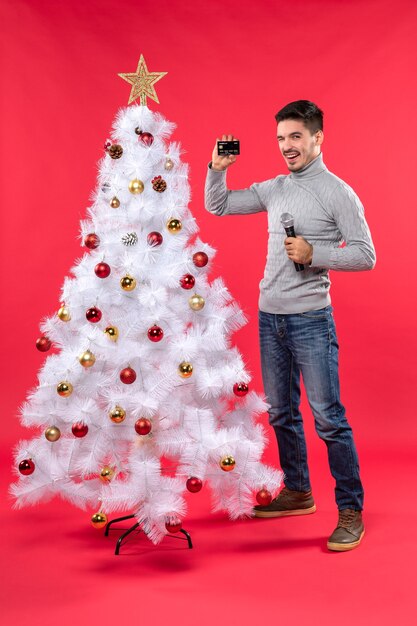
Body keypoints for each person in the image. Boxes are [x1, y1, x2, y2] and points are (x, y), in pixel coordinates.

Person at [204, 100, 376, 551]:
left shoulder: (338, 192)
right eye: (281, 138)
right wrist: (218, 168)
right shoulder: (275, 186)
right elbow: (217, 205)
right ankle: (298, 492)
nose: (287, 147)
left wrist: (316, 254)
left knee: (329, 419)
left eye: (296, 137)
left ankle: (351, 510)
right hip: (270, 318)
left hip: (311, 321)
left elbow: (365, 253)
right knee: (281, 412)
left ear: (318, 138)